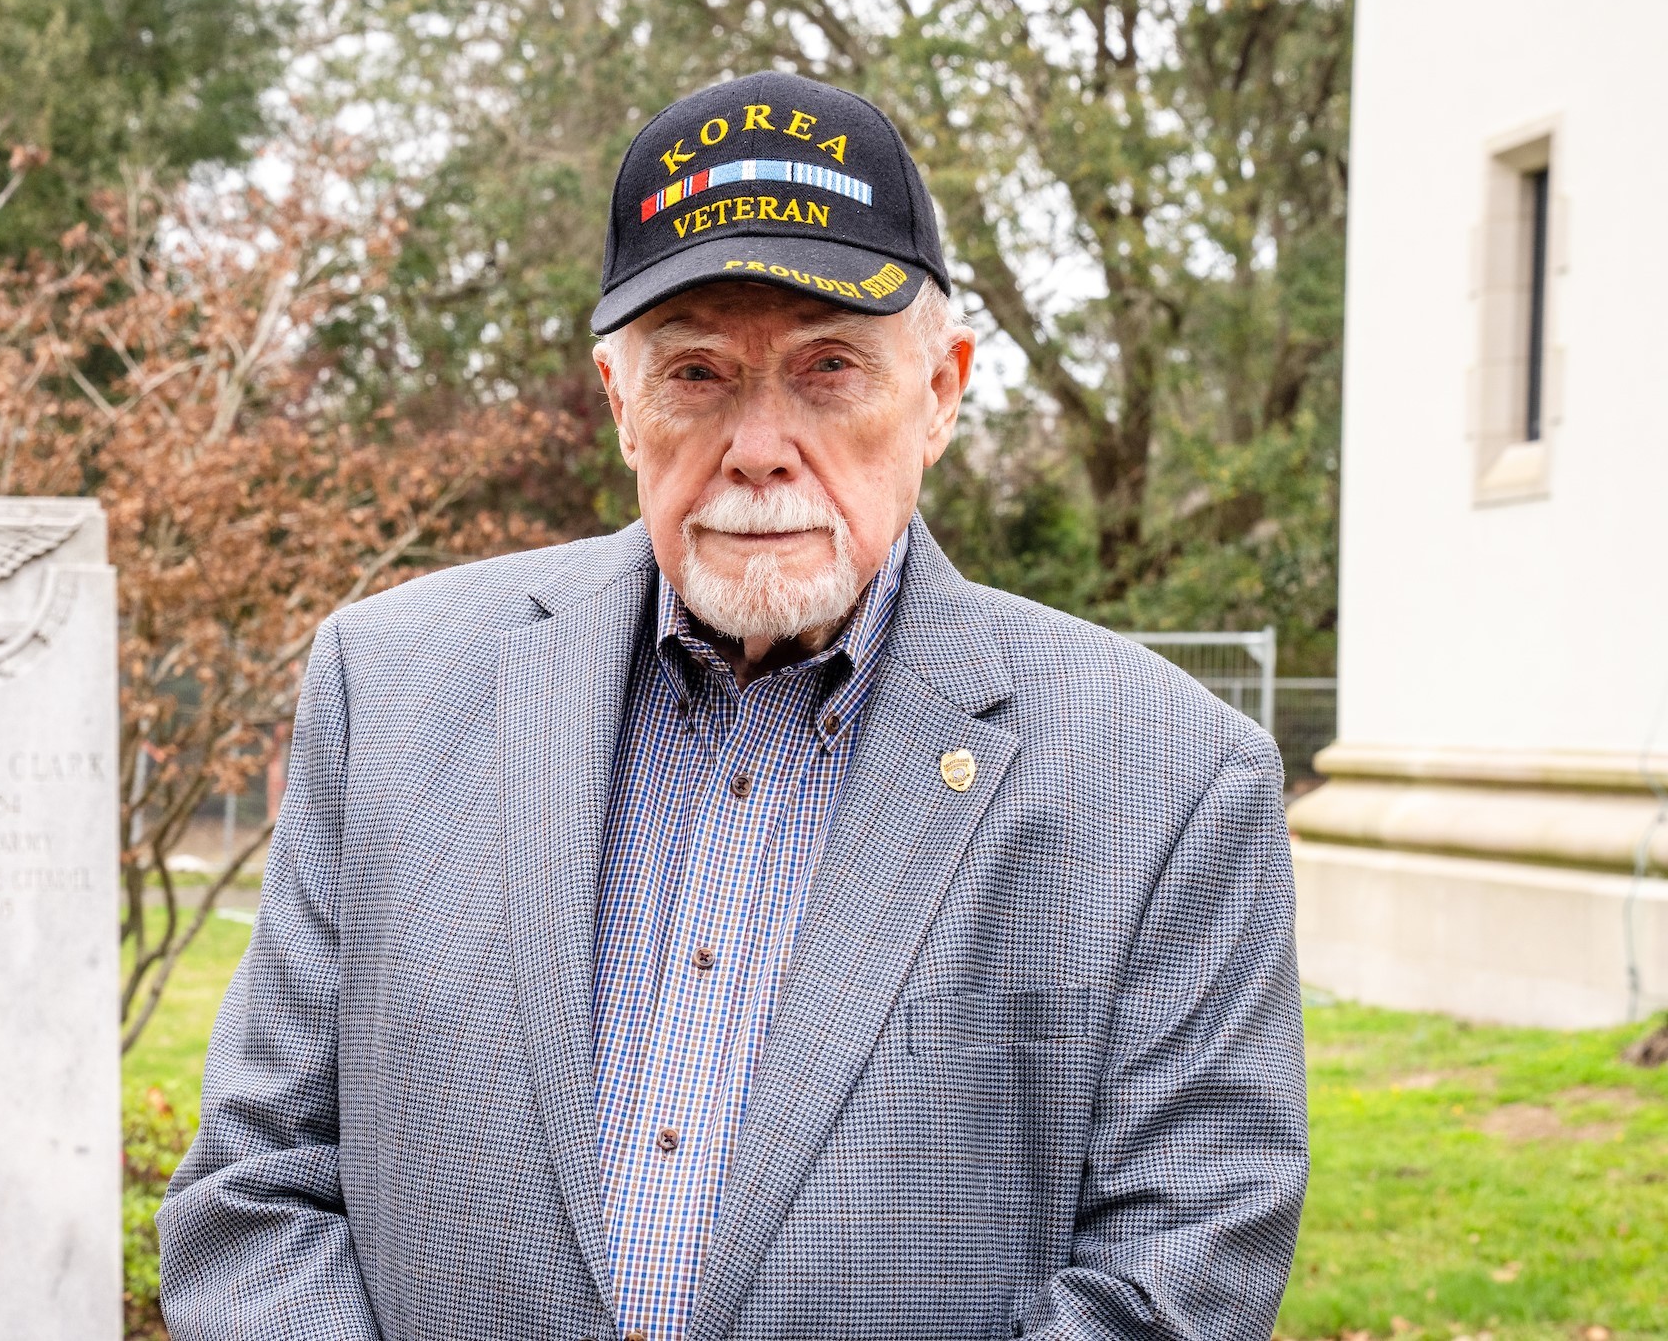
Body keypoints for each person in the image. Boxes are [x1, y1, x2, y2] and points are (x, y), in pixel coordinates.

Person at [157, 72, 1307, 1341]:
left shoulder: (1173, 780)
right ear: (619, 402)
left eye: (828, 369)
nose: (760, 443)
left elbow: (1170, 1286)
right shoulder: (390, 685)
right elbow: (255, 1190)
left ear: (940, 393)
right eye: (697, 372)